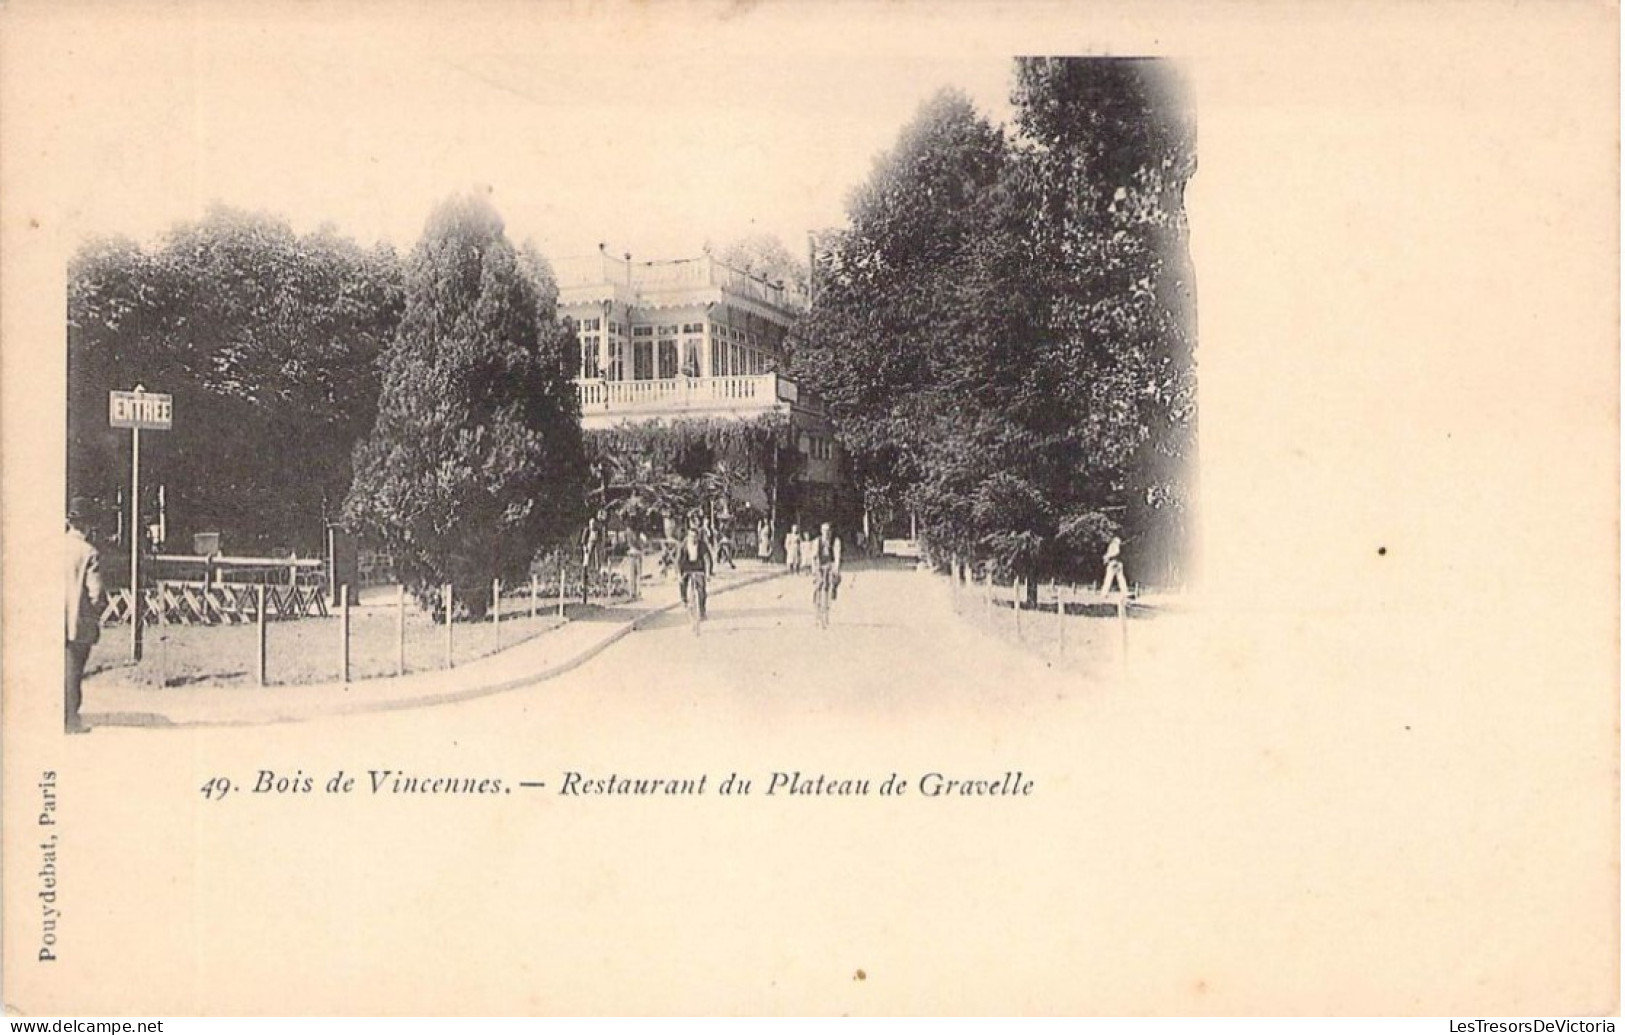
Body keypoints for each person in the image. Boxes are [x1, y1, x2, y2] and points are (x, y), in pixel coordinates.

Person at [64, 498, 105, 735]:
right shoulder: (89, 552)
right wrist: (95, 616)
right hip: (76, 620)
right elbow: (95, 592)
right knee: (73, 669)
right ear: (88, 525)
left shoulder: (50, 546)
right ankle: (70, 719)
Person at [676, 525, 710, 620]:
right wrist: (679, 574)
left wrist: (707, 573)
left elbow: (707, 559)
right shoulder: (683, 545)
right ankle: (684, 600)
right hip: (686, 567)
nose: (693, 539)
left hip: (698, 568)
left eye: (695, 537)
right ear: (688, 536)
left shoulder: (702, 545)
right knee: (682, 582)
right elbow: (678, 560)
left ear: (698, 537)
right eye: (691, 536)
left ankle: (702, 611)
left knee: (701, 589)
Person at [811, 522, 842, 602]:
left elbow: (837, 555)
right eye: (824, 530)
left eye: (828, 531)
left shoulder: (835, 541)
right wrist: (815, 568)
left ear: (831, 531)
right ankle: (816, 595)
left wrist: (836, 568)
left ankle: (833, 590)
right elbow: (814, 556)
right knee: (820, 582)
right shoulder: (817, 541)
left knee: (836, 578)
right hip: (820, 562)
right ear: (821, 531)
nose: (826, 533)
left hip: (830, 562)